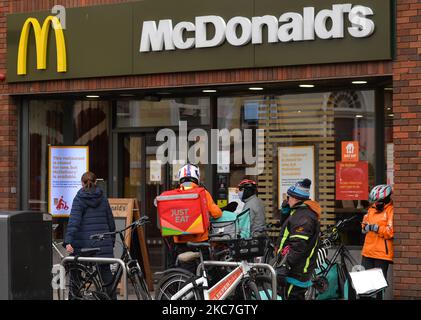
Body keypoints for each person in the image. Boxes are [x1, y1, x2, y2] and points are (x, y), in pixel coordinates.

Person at [64, 171, 116, 298]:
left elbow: (74, 222)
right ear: (96, 182)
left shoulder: (79, 198)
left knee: (76, 272)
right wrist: (112, 241)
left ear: (82, 183)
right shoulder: (103, 198)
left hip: (84, 244)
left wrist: (68, 241)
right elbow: (111, 222)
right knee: (106, 274)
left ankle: (74, 297)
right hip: (103, 243)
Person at [276, 178, 321, 300]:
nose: (287, 200)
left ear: (295, 198)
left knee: (292, 297)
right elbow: (287, 229)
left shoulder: (303, 217)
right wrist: (285, 212)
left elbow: (298, 246)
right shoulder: (298, 213)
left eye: (288, 197)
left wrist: (285, 266)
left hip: (297, 271)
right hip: (295, 269)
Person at [173, 164, 222, 273]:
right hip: (200, 240)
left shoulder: (174, 194)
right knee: (206, 270)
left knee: (186, 270)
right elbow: (216, 213)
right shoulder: (203, 193)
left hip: (181, 240)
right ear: (197, 178)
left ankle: (187, 287)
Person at [361, 184, 394, 299]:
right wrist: (365, 227)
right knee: (364, 285)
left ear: (385, 199)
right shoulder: (371, 209)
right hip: (368, 252)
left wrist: (377, 228)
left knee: (378, 286)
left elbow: (391, 232)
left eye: (378, 200)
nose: (376, 203)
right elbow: (364, 225)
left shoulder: (391, 211)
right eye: (375, 201)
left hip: (381, 254)